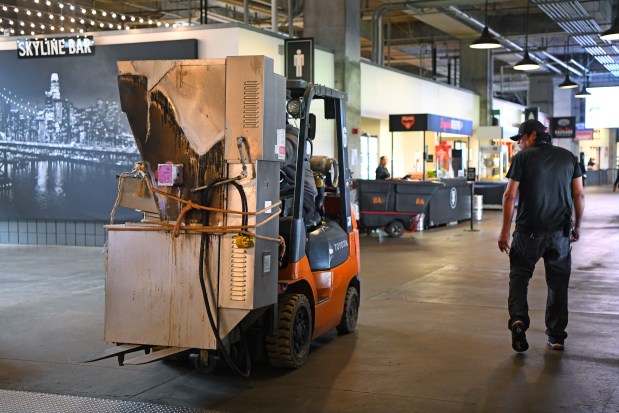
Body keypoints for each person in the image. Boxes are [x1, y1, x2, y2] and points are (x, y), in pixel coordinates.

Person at [498, 119, 585, 353]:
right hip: (559, 234)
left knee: (519, 276)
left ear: (533, 135)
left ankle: (518, 321)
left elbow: (509, 196)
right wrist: (578, 226)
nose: (520, 144)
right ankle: (556, 337)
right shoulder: (569, 157)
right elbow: (579, 194)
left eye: (522, 139)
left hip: (528, 233)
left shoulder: (522, 159)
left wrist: (505, 231)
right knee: (558, 285)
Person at [280, 122, 319, 226]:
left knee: (276, 227)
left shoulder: (292, 138)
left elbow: (277, 158)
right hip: (279, 194)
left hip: (299, 195)